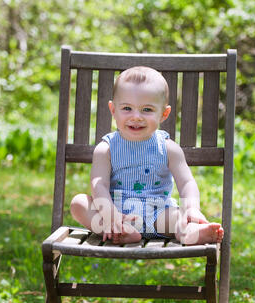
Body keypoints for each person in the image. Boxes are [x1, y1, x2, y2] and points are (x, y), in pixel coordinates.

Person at [70, 66, 224, 245]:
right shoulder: (106, 148)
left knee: (180, 217)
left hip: (159, 214)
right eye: (127, 108)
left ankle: (190, 232)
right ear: (113, 110)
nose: (136, 117)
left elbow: (187, 182)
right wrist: (110, 214)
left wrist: (191, 209)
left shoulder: (168, 148)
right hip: (116, 214)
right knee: (79, 203)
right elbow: (99, 184)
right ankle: (119, 231)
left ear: (164, 114)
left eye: (147, 110)